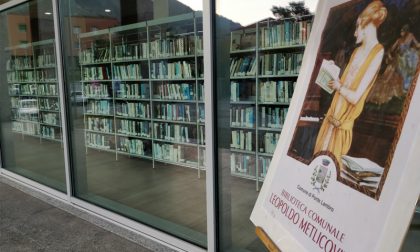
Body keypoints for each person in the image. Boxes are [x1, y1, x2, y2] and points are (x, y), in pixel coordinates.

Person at [313, 0, 387, 168]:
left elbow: (354, 97)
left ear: (365, 24)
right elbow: (344, 86)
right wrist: (332, 72)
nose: (355, 33)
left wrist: (339, 86)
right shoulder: (356, 51)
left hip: (340, 128)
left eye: (357, 27)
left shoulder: (378, 52)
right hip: (330, 122)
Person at [388, 24, 420, 92]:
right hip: (401, 57)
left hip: (409, 55)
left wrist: (417, 45)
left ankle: (410, 84)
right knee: (404, 67)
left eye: (402, 31)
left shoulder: (410, 35)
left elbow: (417, 44)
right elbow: (392, 48)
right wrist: (390, 53)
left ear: (406, 32)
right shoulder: (399, 40)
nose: (401, 33)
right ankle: (406, 85)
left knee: (412, 61)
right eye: (400, 31)